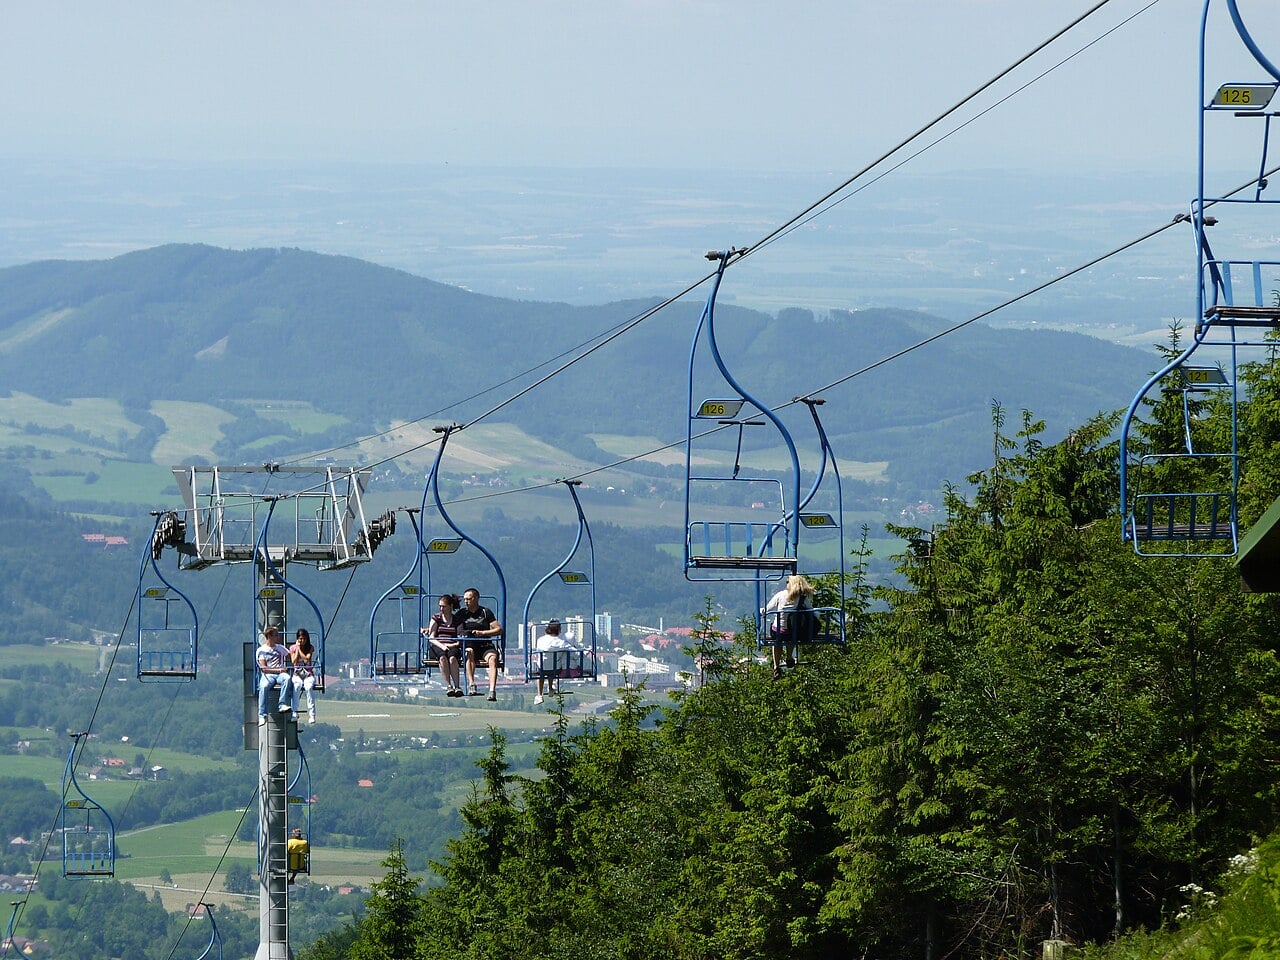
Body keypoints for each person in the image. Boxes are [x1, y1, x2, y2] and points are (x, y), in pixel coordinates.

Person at [764, 574, 815, 679]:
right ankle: (789, 656)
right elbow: (812, 612)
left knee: (777, 639)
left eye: (787, 581)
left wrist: (761, 611)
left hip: (778, 632)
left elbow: (767, 609)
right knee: (793, 632)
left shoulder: (781, 595)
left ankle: (776, 666)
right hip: (793, 633)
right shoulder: (802, 598)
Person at [458, 587, 502, 701]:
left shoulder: (485, 612)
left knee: (493, 659)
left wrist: (483, 633)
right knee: (469, 652)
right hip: (469, 645)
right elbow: (450, 626)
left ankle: (492, 690)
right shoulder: (462, 613)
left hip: (484, 644)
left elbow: (498, 629)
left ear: (476, 599)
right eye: (465, 599)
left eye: (469, 599)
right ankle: (472, 684)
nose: (466, 602)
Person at [423, 593, 463, 696]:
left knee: (453, 658)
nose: (441, 609)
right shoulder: (436, 618)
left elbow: (460, 637)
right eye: (440, 606)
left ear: (450, 606)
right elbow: (431, 637)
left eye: (444, 606)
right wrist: (442, 646)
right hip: (438, 644)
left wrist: (452, 645)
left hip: (452, 645)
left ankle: (457, 686)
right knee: (442, 658)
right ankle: (448, 686)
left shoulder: (457, 620)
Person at [533, 619, 578, 705]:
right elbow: (574, 651)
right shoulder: (561, 643)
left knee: (542, 672)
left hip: (542, 668)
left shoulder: (540, 640)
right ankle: (550, 687)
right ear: (559, 630)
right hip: (555, 668)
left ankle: (539, 694)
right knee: (553, 667)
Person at [256, 626, 291, 719]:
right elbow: (264, 669)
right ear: (269, 636)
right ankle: (262, 714)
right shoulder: (261, 650)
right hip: (268, 675)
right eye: (276, 635)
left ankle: (282, 704)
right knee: (263, 687)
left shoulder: (280, 648)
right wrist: (279, 670)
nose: (278, 637)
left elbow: (291, 656)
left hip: (280, 675)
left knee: (287, 678)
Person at [286, 628, 318, 723]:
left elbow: (306, 660)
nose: (302, 640)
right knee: (296, 687)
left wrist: (299, 649)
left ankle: (312, 714)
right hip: (297, 673)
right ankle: (294, 711)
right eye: (300, 638)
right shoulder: (292, 648)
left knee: (308, 688)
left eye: (304, 638)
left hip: (307, 673)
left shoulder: (310, 648)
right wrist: (297, 649)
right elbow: (294, 661)